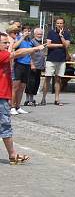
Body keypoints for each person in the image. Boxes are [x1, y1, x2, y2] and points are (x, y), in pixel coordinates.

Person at [1, 31, 44, 164]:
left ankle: (13, 155)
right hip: (1, 96)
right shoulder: (2, 54)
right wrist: (34, 48)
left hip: (3, 95)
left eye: (8, 42)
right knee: (5, 125)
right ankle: (13, 155)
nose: (8, 45)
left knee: (5, 125)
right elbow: (16, 53)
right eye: (4, 43)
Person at [41, 17, 71, 106]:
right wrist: (61, 45)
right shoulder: (51, 32)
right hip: (51, 59)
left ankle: (57, 99)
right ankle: (43, 98)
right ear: (55, 24)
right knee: (47, 79)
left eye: (61, 23)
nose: (59, 25)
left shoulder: (66, 33)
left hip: (61, 59)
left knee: (58, 79)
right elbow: (49, 45)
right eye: (58, 23)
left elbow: (66, 45)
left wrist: (61, 36)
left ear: (63, 24)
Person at [10, 25, 33, 114]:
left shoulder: (30, 41)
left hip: (27, 65)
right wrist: (22, 37)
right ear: (22, 31)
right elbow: (14, 46)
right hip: (19, 64)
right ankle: (12, 106)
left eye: (29, 31)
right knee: (15, 87)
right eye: (26, 31)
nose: (28, 32)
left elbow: (31, 53)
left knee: (22, 87)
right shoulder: (19, 38)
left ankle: (18, 106)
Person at [24, 27, 45, 106]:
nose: (40, 35)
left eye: (41, 34)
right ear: (35, 34)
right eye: (38, 34)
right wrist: (32, 64)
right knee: (30, 82)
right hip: (33, 65)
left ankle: (32, 99)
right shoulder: (32, 42)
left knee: (36, 82)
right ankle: (28, 99)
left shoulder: (41, 42)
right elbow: (29, 53)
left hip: (39, 65)